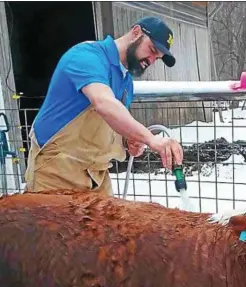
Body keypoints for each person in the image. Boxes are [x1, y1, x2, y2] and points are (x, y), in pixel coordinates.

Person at [24, 16, 184, 197]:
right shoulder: (86, 56)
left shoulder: (126, 82)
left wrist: (128, 141)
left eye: (158, 58)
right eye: (152, 50)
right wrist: (151, 139)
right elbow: (103, 103)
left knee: (112, 225)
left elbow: (109, 122)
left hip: (97, 176)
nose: (152, 60)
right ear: (136, 32)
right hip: (57, 171)